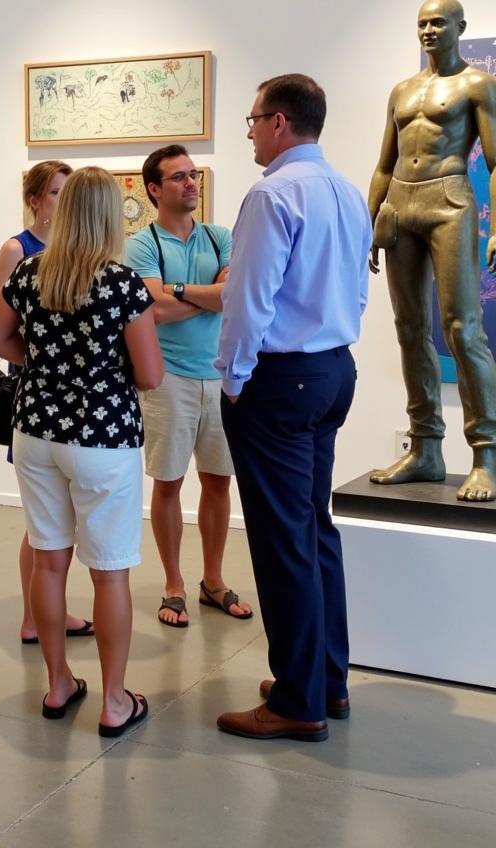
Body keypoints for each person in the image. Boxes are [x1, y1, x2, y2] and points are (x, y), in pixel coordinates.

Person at [215, 74, 371, 742]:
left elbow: (248, 300)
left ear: (279, 123)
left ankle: (297, 701)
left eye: (252, 119)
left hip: (279, 380)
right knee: (314, 529)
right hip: (334, 369)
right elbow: (358, 290)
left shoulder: (272, 193)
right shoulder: (346, 189)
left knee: (282, 544)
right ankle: (325, 680)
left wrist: (233, 379)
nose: (248, 131)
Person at [0, 166, 163, 737]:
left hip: (35, 430)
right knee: (110, 573)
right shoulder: (122, 284)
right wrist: (102, 375)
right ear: (109, 217)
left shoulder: (33, 273)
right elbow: (152, 375)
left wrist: (43, 366)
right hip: (101, 437)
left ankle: (58, 683)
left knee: (49, 557)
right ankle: (114, 701)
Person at [367, 0, 496, 502]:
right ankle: (425, 449)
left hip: (449, 201)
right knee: (409, 328)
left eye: (438, 22)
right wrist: (370, 218)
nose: (428, 30)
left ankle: (485, 454)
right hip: (400, 203)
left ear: (460, 27)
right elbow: (384, 162)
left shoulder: (477, 84)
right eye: (421, 23)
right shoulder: (402, 90)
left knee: (463, 329)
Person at [124, 145, 251, 629]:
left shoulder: (220, 237)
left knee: (218, 482)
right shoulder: (142, 245)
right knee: (169, 483)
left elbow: (232, 295)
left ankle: (213, 581)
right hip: (167, 377)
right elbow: (152, 311)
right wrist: (211, 297)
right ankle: (174, 582)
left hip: (220, 375)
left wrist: (177, 292)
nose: (191, 183)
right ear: (154, 189)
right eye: (178, 177)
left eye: (193, 174)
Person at [0, 160, 93, 644]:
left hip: (73, 403)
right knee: (43, 518)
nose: (62, 203)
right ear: (34, 200)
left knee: (57, 516)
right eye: (54, 193)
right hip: (36, 399)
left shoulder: (77, 253)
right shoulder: (18, 250)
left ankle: (46, 611)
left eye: (68, 194)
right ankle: (35, 615)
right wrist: (42, 364)